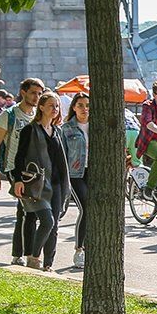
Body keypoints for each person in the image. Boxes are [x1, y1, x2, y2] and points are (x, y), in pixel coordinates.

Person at [10, 92, 71, 271]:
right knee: (47, 221)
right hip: (36, 184)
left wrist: (67, 185)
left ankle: (48, 264)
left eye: (57, 106)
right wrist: (18, 180)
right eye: (51, 105)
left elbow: (62, 160)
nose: (55, 109)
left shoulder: (57, 131)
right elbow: (19, 157)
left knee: (54, 225)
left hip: (57, 184)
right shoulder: (31, 130)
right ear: (41, 107)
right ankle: (33, 256)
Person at [0, 77, 45, 267]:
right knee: (26, 212)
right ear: (23, 92)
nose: (36, 97)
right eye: (33, 93)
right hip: (15, 169)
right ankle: (22, 254)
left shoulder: (37, 116)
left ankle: (24, 253)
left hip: (35, 171)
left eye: (40, 94)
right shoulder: (9, 115)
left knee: (29, 213)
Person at [60, 92, 91, 269]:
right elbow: (63, 154)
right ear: (73, 107)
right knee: (85, 207)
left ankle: (89, 246)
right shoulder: (67, 128)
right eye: (80, 105)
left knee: (94, 210)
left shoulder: (97, 126)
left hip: (93, 172)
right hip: (75, 174)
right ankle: (79, 249)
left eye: (87, 105)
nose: (84, 109)